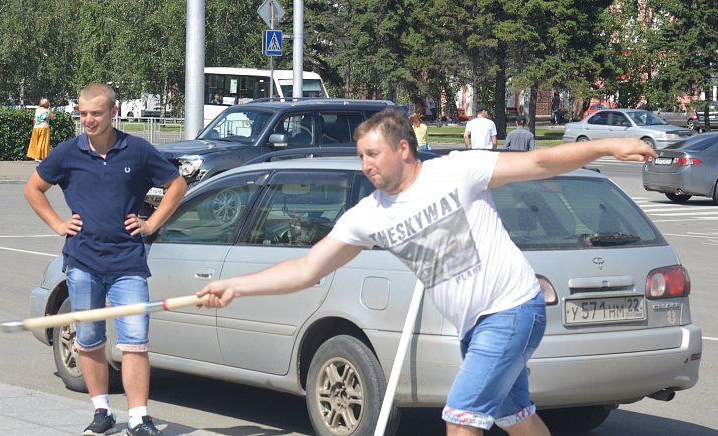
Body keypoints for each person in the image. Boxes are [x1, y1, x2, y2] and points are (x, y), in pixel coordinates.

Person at [195, 108, 656, 436]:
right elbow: (307, 267)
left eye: (373, 154)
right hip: (475, 325)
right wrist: (236, 285)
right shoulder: (368, 215)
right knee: (515, 416)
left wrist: (610, 144)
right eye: (360, 156)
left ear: (403, 148)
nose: (366, 164)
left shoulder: (456, 172)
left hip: (512, 308)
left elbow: (538, 162)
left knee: (460, 417)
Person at [24, 83, 187, 436]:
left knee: (135, 341)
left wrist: (151, 223)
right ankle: (102, 412)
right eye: (82, 113)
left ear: (113, 112)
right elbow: (32, 188)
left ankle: (139, 417)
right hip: (82, 263)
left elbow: (177, 185)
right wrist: (58, 224)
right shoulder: (68, 153)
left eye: (96, 113)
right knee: (90, 339)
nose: (88, 120)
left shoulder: (138, 151)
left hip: (128, 264)